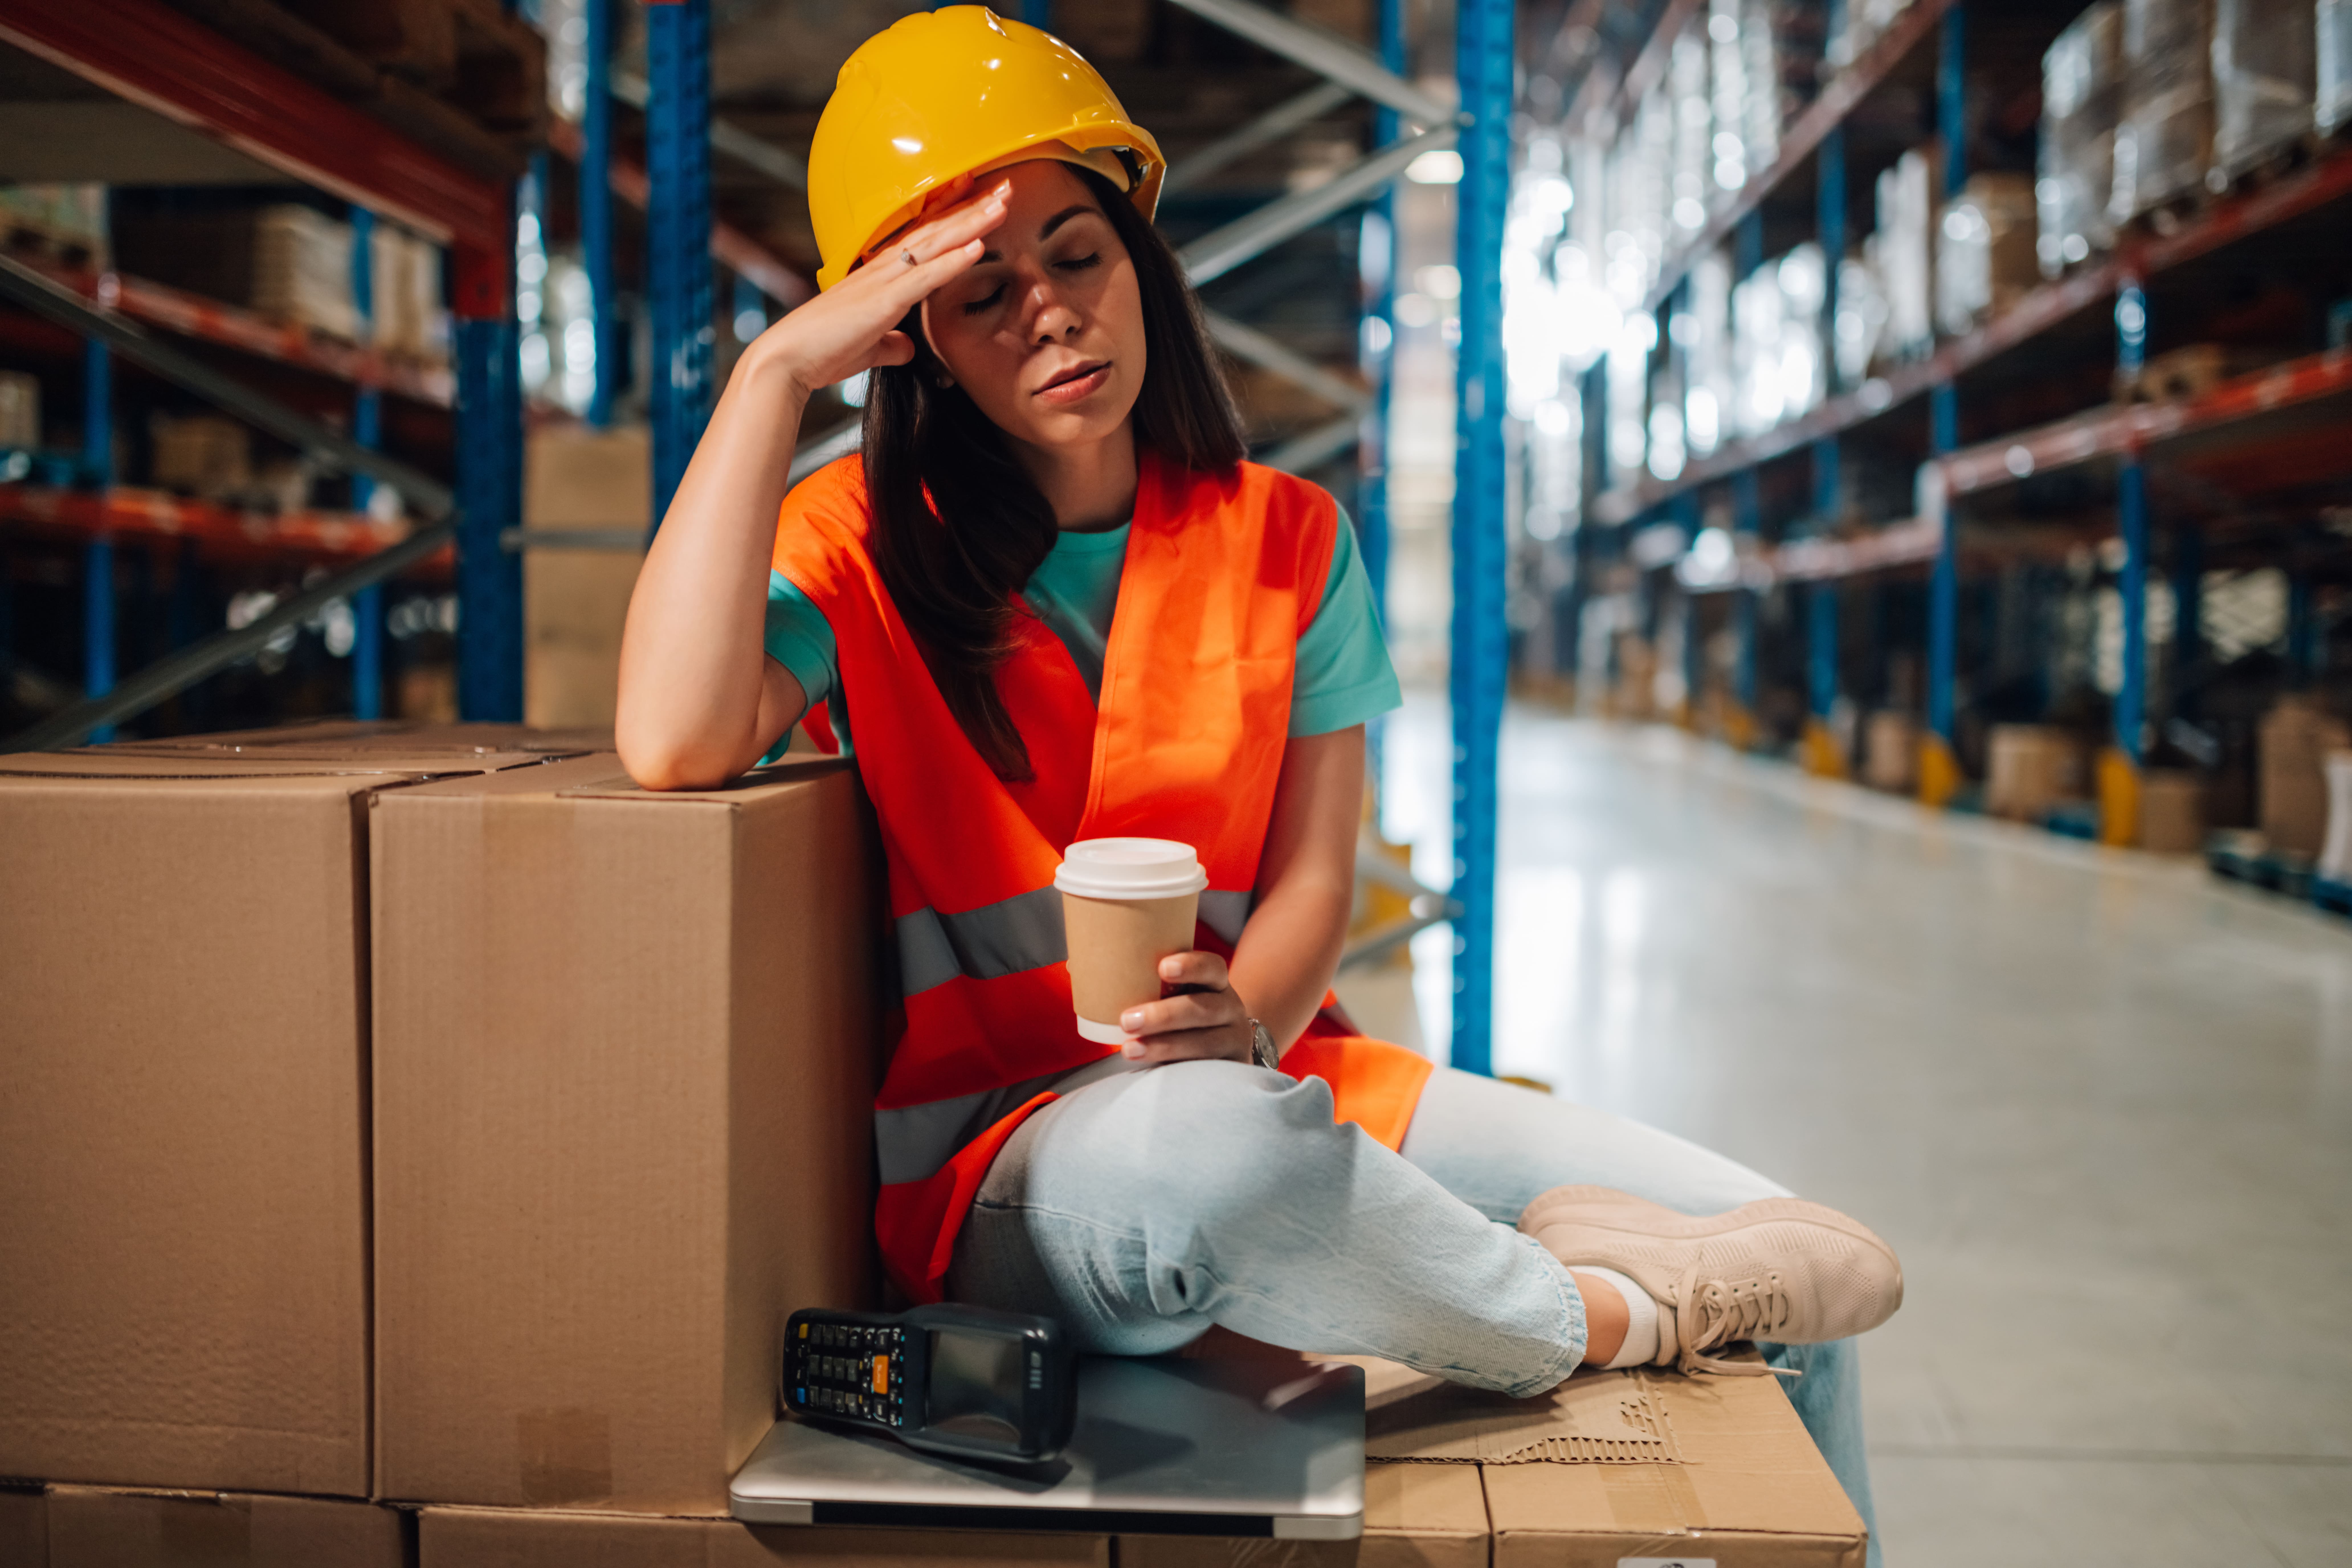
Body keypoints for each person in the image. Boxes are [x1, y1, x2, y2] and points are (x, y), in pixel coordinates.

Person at [617, 7, 1902, 1556]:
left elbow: (1313, 874)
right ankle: (1601, 1313)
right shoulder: (862, 544)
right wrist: (771, 379)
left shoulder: (1289, 535)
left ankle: (1633, 1284)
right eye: (978, 291)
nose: (1047, 314)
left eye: (1076, 254)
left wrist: (1259, 1017)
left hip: (1269, 1077)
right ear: (915, 342)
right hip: (1019, 1162)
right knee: (1215, 1164)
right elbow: (674, 738)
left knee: (1795, 1267)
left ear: (1138, 259)